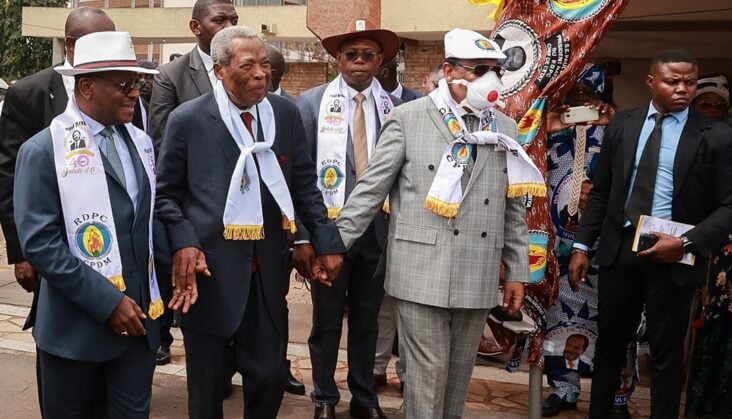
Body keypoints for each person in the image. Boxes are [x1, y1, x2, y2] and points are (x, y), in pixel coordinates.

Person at [335, 28, 542, 418]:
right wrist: (333, 246)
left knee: (458, 378)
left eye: (496, 70)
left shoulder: (505, 129)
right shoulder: (408, 119)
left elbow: (512, 207)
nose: (490, 80)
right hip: (419, 270)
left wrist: (517, 270)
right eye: (479, 70)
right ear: (449, 71)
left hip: (477, 270)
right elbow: (369, 191)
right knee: (428, 375)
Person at [155, 26, 345, 419]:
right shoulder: (188, 119)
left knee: (268, 375)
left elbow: (304, 185)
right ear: (221, 70)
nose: (261, 74)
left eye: (265, 64)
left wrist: (326, 243)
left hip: (265, 272)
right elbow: (167, 196)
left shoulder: (285, 114)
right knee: (207, 388)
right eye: (248, 66)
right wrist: (184, 242)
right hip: (209, 272)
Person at [569, 49, 732, 419]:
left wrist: (686, 243)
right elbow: (603, 191)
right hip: (620, 248)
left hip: (674, 252)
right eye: (672, 81)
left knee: (666, 352)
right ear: (651, 82)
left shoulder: (717, 135)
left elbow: (728, 205)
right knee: (609, 345)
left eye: (689, 82)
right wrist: (582, 245)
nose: (682, 89)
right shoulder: (623, 125)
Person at [13, 31, 163, 419]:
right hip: (74, 334)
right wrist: (108, 302)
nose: (135, 93)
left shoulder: (141, 144)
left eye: (140, 83)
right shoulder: (43, 151)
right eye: (125, 84)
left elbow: (147, 221)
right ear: (87, 86)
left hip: (138, 329)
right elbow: (41, 243)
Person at [0, 7, 116, 415]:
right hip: (53, 244)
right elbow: (10, 174)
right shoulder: (30, 93)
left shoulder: (124, 92)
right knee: (60, 338)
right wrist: (21, 254)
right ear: (71, 45)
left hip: (110, 248)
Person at [295, 18, 401, 419]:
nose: (359, 61)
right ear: (338, 58)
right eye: (351, 54)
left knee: (367, 322)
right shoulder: (310, 103)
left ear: (380, 62)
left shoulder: (398, 106)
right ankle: (324, 398)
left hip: (378, 230)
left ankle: (364, 398)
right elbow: (300, 177)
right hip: (329, 232)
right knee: (325, 323)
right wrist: (306, 236)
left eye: (368, 55)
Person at [685, 74, 732, 418]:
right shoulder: (682, 139)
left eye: (720, 105)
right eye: (706, 104)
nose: (714, 110)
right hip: (709, 245)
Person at [265, 43, 306, 394]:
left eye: (272, 71)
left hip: (281, 232)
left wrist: (301, 232)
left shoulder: (292, 109)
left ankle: (280, 366)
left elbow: (303, 178)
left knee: (277, 306)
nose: (264, 76)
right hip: (232, 235)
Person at [148, 0, 238, 151]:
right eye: (219, 20)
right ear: (196, 27)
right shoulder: (170, 76)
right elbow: (162, 141)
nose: (230, 28)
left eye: (234, 21)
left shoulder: (252, 70)